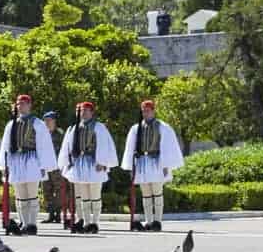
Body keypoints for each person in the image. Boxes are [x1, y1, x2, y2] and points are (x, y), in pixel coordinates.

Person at [0, 94, 57, 235]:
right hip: (15, 161)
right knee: (20, 195)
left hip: (31, 160)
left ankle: (32, 224)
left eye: (23, 103)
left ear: (30, 105)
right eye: (18, 104)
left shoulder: (37, 123)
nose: (20, 106)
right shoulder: (11, 124)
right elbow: (5, 146)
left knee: (31, 194)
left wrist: (43, 166)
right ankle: (24, 223)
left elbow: (44, 146)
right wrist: (3, 166)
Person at [122, 100, 184, 231]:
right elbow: (130, 148)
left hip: (156, 162)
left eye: (148, 110)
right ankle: (148, 221)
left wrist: (166, 165)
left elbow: (167, 147)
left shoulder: (162, 126)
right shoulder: (136, 128)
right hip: (142, 162)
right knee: (146, 194)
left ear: (153, 111)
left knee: (157, 193)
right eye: (144, 111)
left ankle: (157, 221)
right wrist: (131, 167)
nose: (145, 113)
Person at [58, 102, 118, 234]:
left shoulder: (99, 127)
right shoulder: (74, 128)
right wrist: (66, 164)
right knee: (84, 196)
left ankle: (95, 222)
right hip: (80, 164)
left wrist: (102, 162)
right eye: (81, 111)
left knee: (95, 195)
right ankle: (86, 222)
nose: (83, 113)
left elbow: (105, 146)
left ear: (92, 112)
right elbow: (67, 147)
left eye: (86, 111)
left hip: (94, 164)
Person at [41, 111, 65, 224]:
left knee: (59, 190)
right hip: (45, 166)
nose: (47, 123)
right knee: (46, 190)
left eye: (49, 120)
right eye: (45, 121)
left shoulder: (60, 134)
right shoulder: (41, 134)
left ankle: (58, 214)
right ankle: (50, 214)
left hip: (57, 167)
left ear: (54, 121)